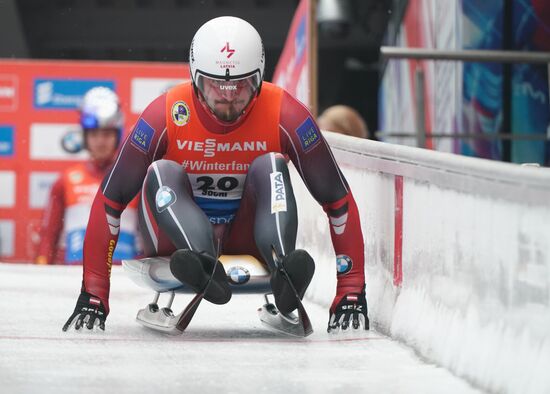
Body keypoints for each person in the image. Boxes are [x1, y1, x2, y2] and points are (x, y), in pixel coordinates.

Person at [63, 16, 368, 334]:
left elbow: (337, 198)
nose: (227, 98)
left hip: (251, 234)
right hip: (178, 242)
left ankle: (282, 268)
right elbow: (111, 199)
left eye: (240, 86)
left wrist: (350, 291)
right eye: (216, 87)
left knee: (271, 165)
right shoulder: (165, 113)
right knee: (162, 172)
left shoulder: (286, 113)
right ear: (196, 79)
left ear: (259, 78)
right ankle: (201, 261)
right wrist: (94, 294)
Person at [35, 87, 139, 265]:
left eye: (106, 134)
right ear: (84, 136)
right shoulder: (66, 180)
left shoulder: (137, 180)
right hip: (73, 280)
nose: (100, 141)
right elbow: (48, 237)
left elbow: (151, 243)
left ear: (118, 135)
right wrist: (41, 268)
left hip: (124, 282)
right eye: (94, 134)